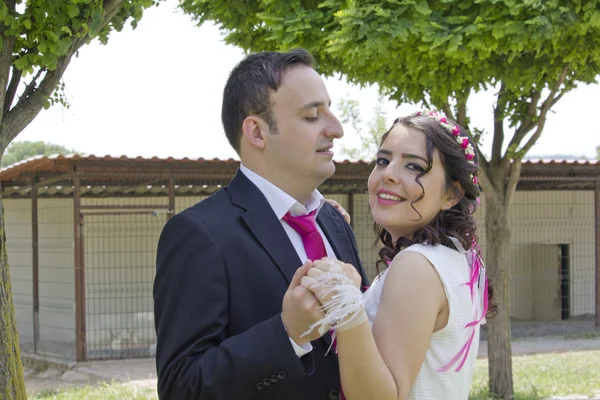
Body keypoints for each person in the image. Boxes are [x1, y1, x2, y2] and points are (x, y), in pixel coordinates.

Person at [153, 48, 369, 400]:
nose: (337, 129)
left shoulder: (333, 221)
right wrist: (287, 334)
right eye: (313, 115)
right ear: (256, 132)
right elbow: (182, 387)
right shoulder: (198, 234)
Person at [301, 110, 498, 400]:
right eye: (383, 160)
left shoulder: (417, 265)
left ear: (452, 195)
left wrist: (344, 300)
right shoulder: (459, 258)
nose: (388, 174)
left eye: (415, 166)